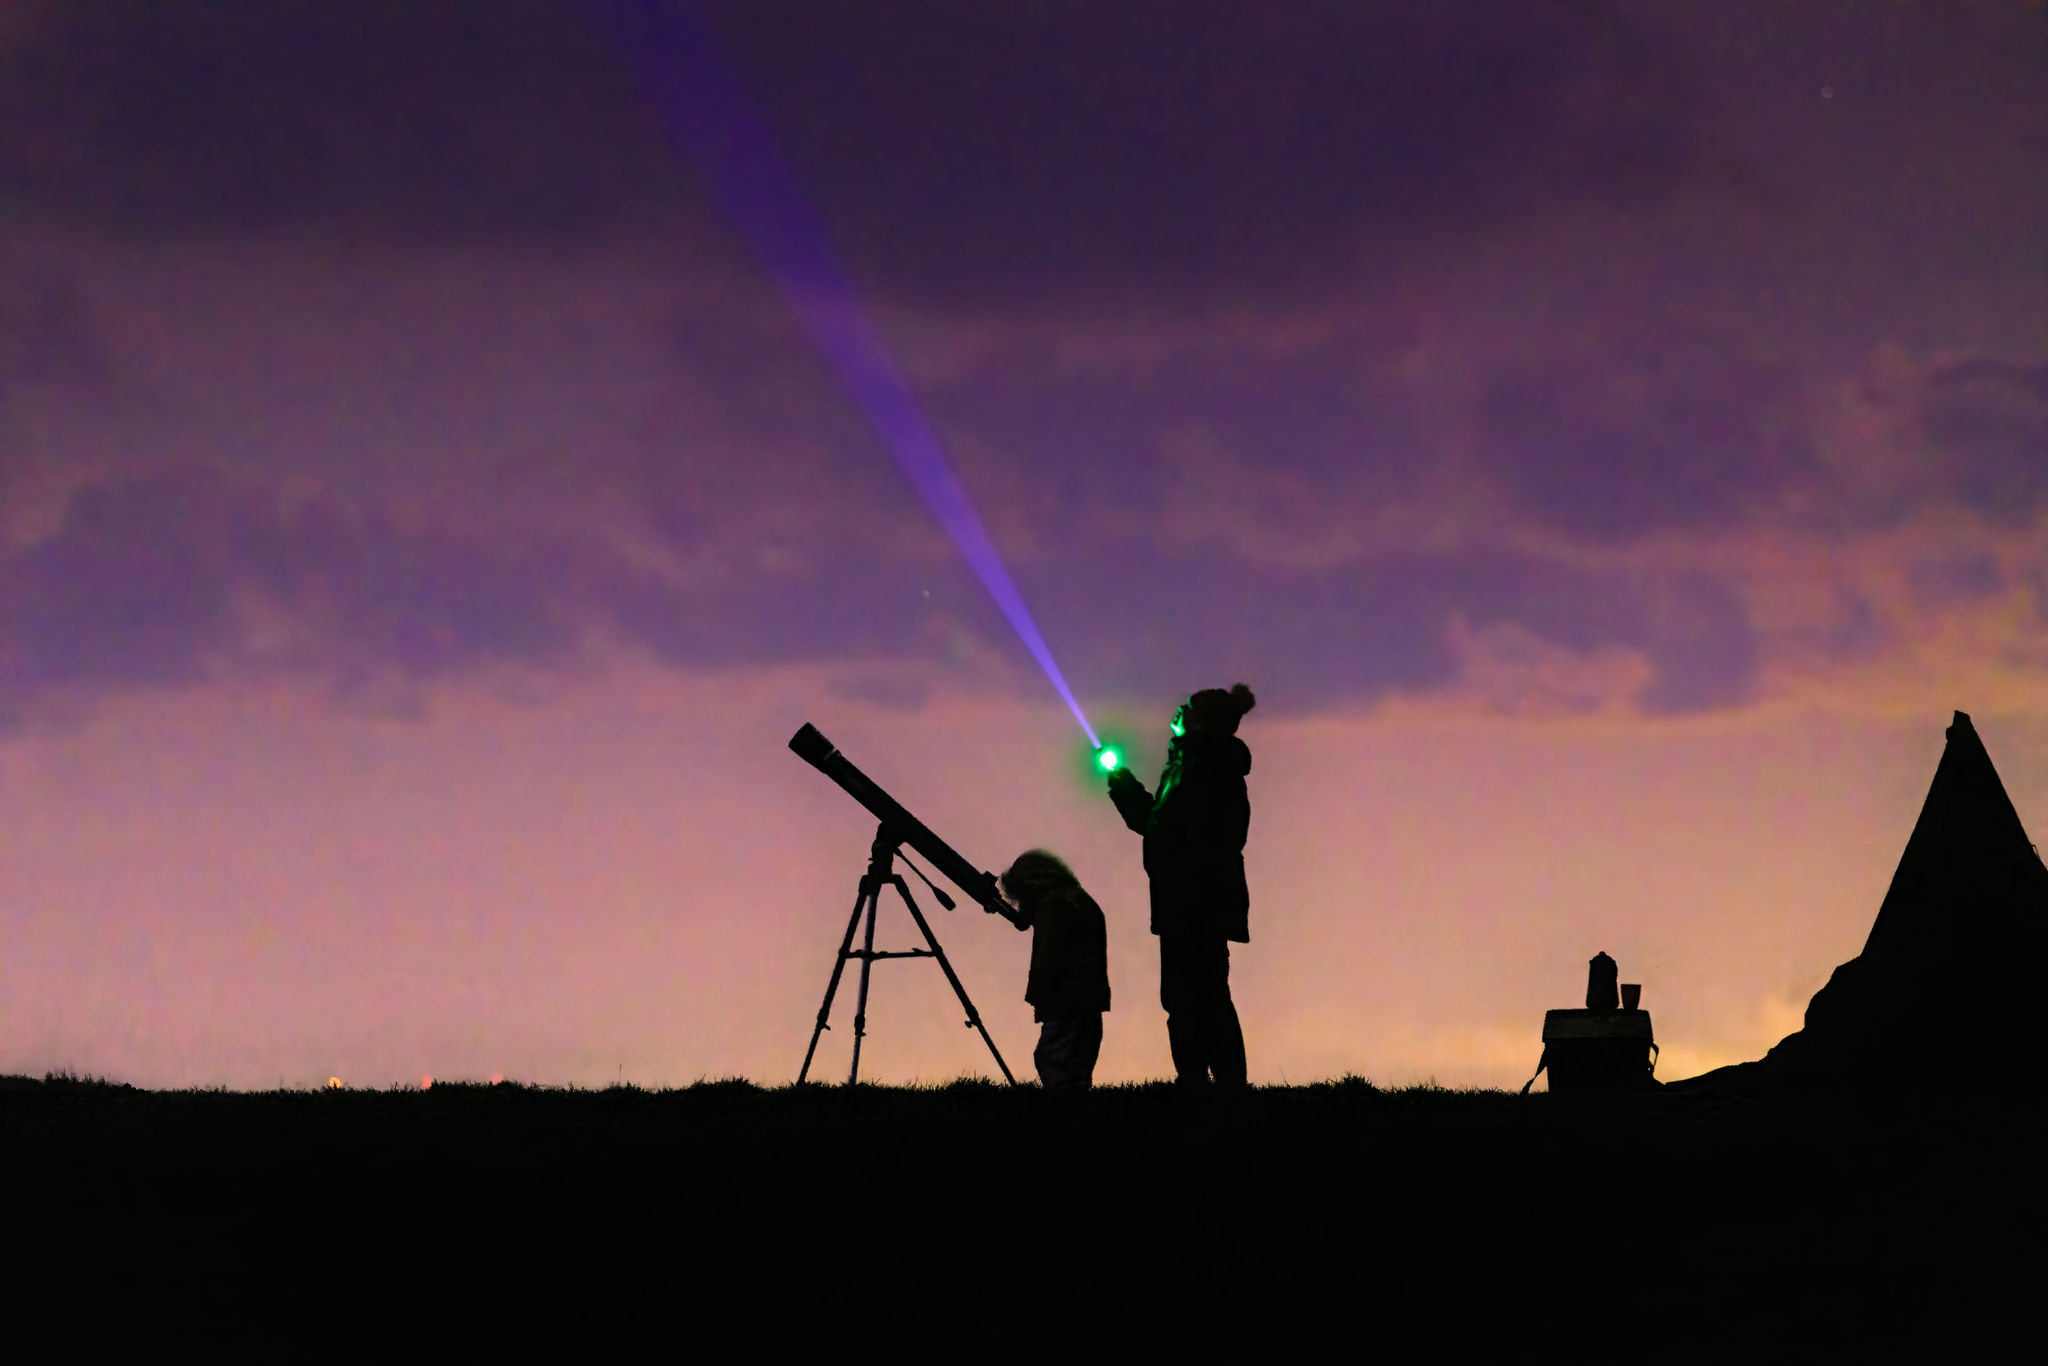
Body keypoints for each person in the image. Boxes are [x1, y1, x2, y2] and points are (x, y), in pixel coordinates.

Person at [1106, 683, 1255, 1088]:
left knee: (1199, 995)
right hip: (1186, 902)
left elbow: (1175, 834)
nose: (1176, 710)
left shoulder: (1207, 769)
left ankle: (1214, 1081)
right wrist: (1122, 785)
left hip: (1195, 903)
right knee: (1191, 995)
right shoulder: (1192, 766)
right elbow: (1158, 825)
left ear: (1200, 722)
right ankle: (1204, 1079)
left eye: (1186, 708)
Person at [997, 850, 1112, 1091]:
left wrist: (1037, 993)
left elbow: (1047, 956)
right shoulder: (1078, 899)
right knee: (1075, 1065)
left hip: (1066, 1001)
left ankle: (1062, 1119)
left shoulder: (1053, 906)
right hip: (1088, 999)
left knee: (1056, 1063)